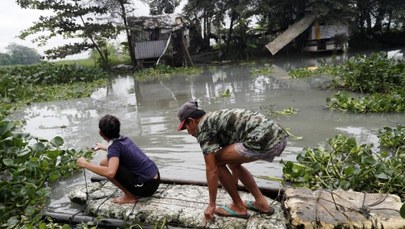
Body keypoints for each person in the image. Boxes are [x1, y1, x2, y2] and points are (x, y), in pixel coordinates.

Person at [176, 101, 288, 221]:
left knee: (217, 162)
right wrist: (233, 182)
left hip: (265, 139)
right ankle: (261, 203)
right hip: (279, 137)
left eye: (186, 127)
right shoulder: (214, 118)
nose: (188, 132)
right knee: (231, 162)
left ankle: (239, 207)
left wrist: (211, 205)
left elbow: (211, 169)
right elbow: (233, 158)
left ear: (192, 121)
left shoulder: (203, 127)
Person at [77, 114, 160, 204]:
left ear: (100, 133)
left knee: (107, 168)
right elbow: (120, 150)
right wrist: (103, 147)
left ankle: (130, 196)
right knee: (104, 162)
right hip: (155, 180)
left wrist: (85, 164)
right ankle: (132, 190)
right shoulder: (125, 139)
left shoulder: (114, 147)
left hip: (146, 188)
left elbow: (110, 173)